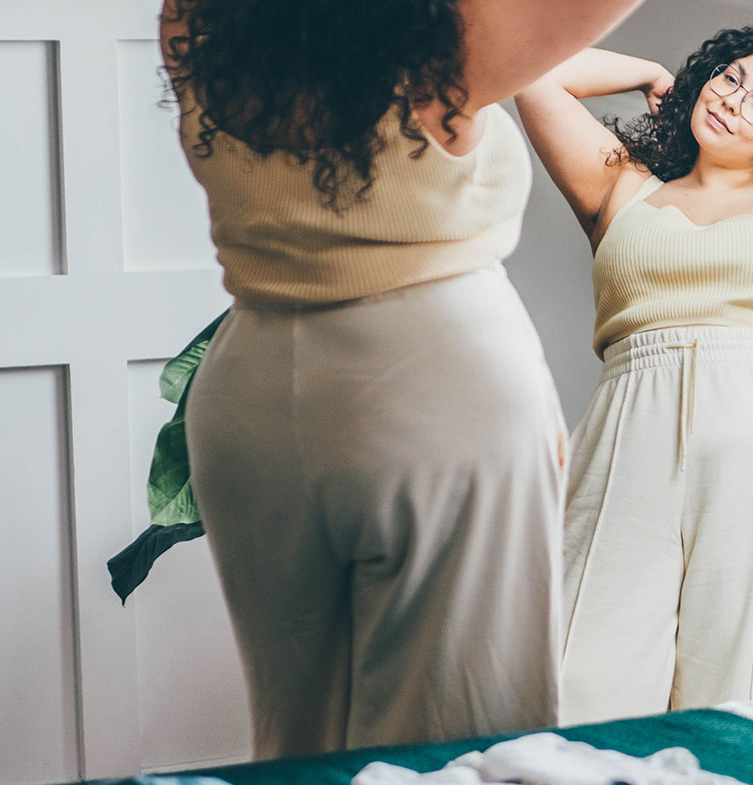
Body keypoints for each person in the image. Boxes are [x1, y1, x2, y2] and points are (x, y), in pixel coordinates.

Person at [160, 0, 647, 758]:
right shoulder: (441, 48)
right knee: (458, 736)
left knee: (296, 736)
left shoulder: (198, 15)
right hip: (430, 388)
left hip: (249, 393)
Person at [513, 25, 753, 723]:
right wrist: (652, 72)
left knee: (741, 675)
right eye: (730, 78)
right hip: (631, 422)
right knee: (581, 669)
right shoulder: (620, 183)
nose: (733, 101)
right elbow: (535, 70)